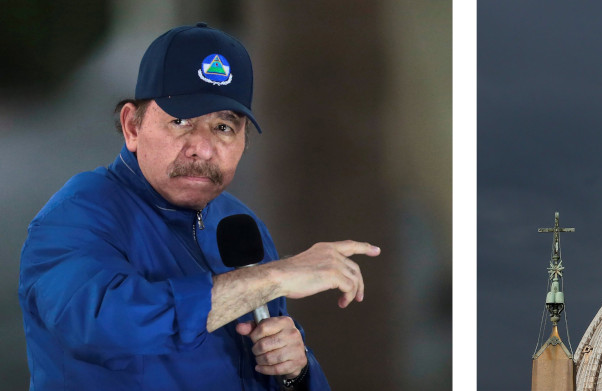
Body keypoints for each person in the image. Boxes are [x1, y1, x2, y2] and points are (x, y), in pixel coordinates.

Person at [18, 23, 378, 390]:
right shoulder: (75, 216)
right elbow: (104, 327)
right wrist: (271, 278)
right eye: (181, 121)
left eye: (223, 127)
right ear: (132, 127)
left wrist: (296, 372)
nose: (203, 148)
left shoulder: (238, 222)